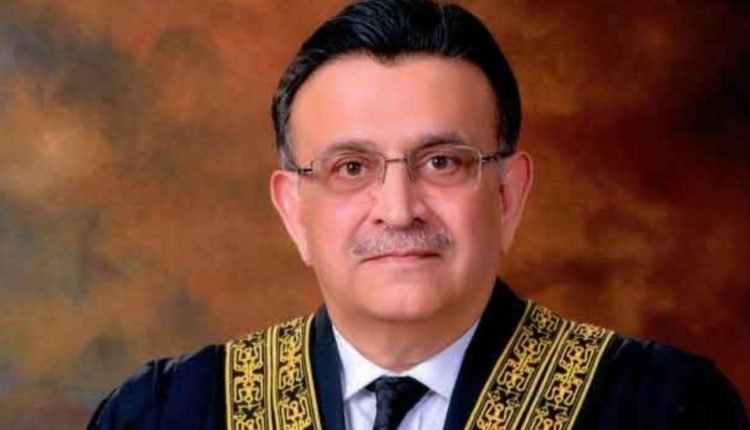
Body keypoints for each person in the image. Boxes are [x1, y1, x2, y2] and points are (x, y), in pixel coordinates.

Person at [87, 0, 749, 429]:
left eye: (441, 162)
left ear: (508, 195)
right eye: (352, 168)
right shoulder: (166, 415)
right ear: (294, 210)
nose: (398, 210)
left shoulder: (660, 408)